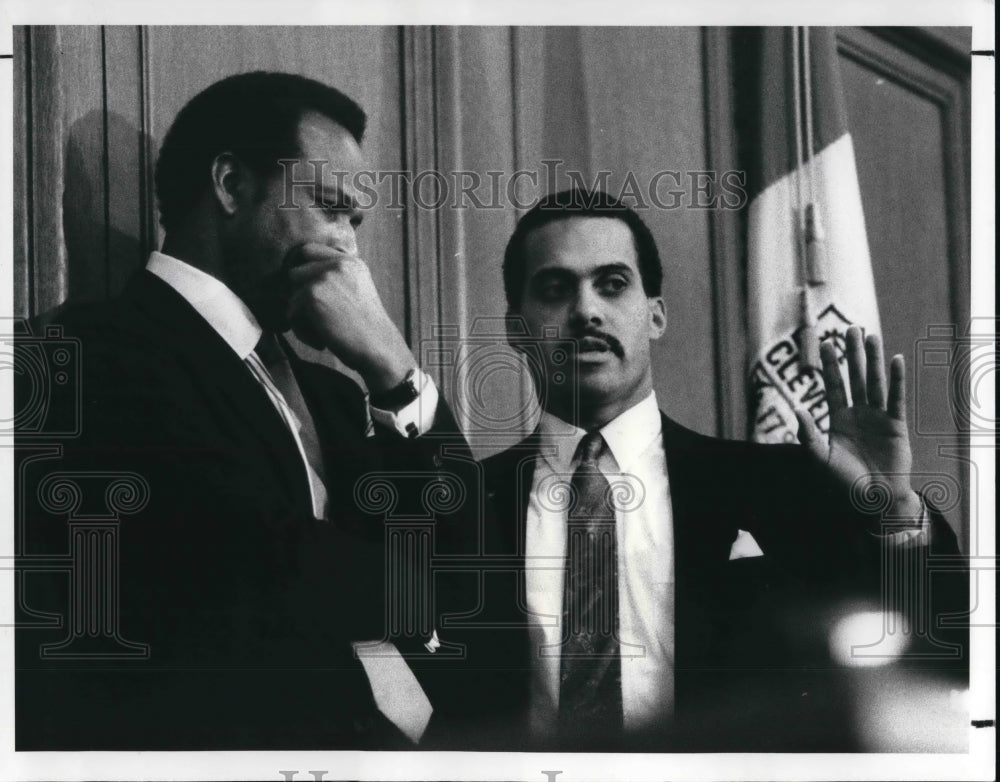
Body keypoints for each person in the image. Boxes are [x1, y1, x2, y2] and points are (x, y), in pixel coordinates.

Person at [16, 71, 469, 750]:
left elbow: (469, 570)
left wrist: (394, 372)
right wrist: (409, 580)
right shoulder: (81, 355)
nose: (349, 248)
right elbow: (264, 573)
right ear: (230, 185)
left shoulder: (339, 398)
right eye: (328, 206)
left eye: (356, 222)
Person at [435, 189, 966, 751]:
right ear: (517, 328)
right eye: (555, 288)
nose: (586, 310)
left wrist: (896, 516)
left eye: (612, 285)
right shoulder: (464, 504)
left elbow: (942, 663)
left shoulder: (776, 486)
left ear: (656, 315)